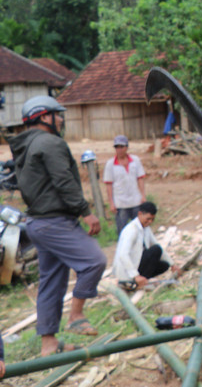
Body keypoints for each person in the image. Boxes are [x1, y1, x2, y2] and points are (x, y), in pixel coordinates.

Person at [9, 96, 107, 357]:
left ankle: (48, 344)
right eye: (57, 114)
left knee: (51, 282)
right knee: (94, 261)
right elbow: (63, 180)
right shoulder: (49, 142)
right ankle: (76, 315)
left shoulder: (26, 145)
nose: (61, 119)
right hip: (55, 221)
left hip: (37, 223)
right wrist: (85, 212)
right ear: (43, 116)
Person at [112, 201, 179, 290]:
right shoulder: (131, 230)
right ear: (140, 214)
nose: (150, 222)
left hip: (137, 263)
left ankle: (142, 280)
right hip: (126, 271)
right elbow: (123, 255)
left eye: (152, 219)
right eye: (148, 219)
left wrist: (172, 264)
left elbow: (155, 244)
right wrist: (135, 275)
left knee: (164, 265)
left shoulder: (146, 228)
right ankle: (135, 282)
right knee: (155, 250)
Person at [103, 134, 147, 234]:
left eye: (122, 147)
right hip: (120, 203)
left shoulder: (135, 161)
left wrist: (143, 195)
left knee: (140, 230)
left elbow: (140, 178)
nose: (119, 150)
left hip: (136, 201)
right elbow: (109, 185)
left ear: (127, 147)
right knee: (122, 232)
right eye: (117, 147)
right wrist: (111, 203)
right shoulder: (110, 164)